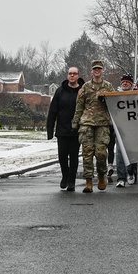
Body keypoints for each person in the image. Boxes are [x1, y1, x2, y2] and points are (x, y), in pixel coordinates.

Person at [72, 59, 115, 193]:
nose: (97, 71)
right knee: (87, 152)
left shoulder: (108, 87)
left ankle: (102, 175)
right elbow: (79, 105)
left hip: (102, 123)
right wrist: (75, 121)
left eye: (99, 69)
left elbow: (115, 105)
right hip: (87, 123)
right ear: (92, 71)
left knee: (101, 153)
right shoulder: (85, 87)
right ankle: (89, 181)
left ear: (103, 70)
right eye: (95, 69)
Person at [47, 63, 84, 192]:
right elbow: (53, 111)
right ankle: (64, 176)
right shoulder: (60, 91)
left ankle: (71, 180)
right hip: (62, 129)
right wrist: (50, 130)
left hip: (77, 130)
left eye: (74, 73)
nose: (72, 75)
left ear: (78, 76)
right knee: (62, 155)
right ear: (67, 76)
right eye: (70, 73)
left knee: (73, 156)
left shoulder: (83, 91)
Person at [113, 72, 136, 188]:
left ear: (131, 83)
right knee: (120, 154)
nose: (125, 84)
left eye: (127, 82)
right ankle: (121, 178)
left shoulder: (136, 95)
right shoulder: (114, 96)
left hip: (133, 128)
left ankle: (131, 172)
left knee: (132, 153)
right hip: (120, 128)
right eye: (123, 82)